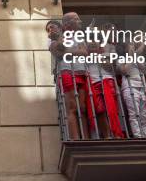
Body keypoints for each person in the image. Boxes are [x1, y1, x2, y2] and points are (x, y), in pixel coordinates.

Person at [49, 12, 89, 140]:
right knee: (72, 107)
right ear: (67, 24)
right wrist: (60, 38)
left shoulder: (79, 37)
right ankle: (76, 138)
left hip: (81, 71)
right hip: (67, 72)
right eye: (77, 19)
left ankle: (87, 138)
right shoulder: (54, 40)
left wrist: (68, 52)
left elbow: (85, 53)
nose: (80, 21)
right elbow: (59, 51)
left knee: (82, 108)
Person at [86, 24, 124, 139]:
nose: (92, 44)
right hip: (93, 82)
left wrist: (100, 56)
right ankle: (107, 135)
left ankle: (117, 134)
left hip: (106, 79)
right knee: (100, 110)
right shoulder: (86, 54)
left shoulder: (108, 50)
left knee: (111, 108)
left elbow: (110, 65)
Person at [119, 39, 146, 138]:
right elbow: (125, 71)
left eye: (133, 45)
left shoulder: (138, 58)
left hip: (142, 87)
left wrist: (136, 55)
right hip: (130, 87)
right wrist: (131, 57)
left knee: (144, 116)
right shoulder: (121, 59)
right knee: (134, 114)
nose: (132, 46)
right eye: (130, 45)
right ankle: (138, 136)